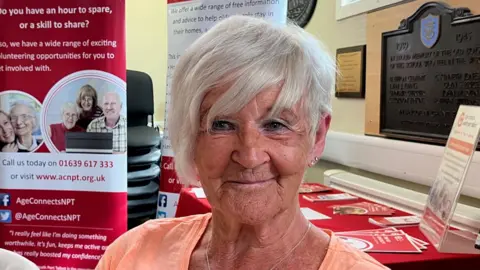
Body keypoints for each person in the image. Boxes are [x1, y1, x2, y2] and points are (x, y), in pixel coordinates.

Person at [95, 16, 388, 270]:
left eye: (276, 125)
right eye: (221, 124)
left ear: (317, 137)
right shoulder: (131, 255)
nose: (249, 155)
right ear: (191, 138)